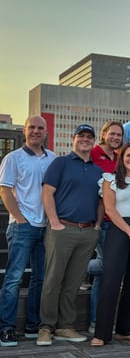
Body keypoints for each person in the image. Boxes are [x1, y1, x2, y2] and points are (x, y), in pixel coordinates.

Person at [37, 124, 103, 346]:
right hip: (62, 229)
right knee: (52, 280)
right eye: (81, 136)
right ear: (73, 139)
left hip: (88, 231)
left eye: (89, 137)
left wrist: (98, 226)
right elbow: (47, 192)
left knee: (74, 282)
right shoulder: (61, 163)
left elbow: (103, 201)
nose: (85, 140)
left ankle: (65, 326)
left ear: (94, 142)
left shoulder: (98, 170)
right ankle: (46, 327)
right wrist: (54, 223)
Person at [0, 116, 56, 347]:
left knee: (40, 279)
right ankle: (6, 327)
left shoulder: (53, 158)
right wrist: (21, 219)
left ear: (46, 132)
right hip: (22, 226)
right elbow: (4, 191)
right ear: (24, 131)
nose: (35, 131)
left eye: (40, 128)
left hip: (46, 228)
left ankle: (33, 324)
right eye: (31, 127)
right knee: (13, 278)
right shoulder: (13, 158)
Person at [91, 142, 130, 346]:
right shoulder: (110, 180)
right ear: (122, 157)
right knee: (111, 281)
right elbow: (109, 209)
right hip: (119, 230)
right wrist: (129, 232)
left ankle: (126, 329)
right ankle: (101, 333)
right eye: (129, 155)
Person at [87, 120, 124, 334]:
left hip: (117, 221)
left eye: (119, 135)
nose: (116, 138)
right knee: (107, 267)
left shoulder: (120, 158)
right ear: (104, 134)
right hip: (98, 219)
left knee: (105, 272)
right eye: (112, 134)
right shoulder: (93, 154)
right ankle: (79, 266)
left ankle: (98, 321)